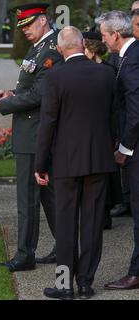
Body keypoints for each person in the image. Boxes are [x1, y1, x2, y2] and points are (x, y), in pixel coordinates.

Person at [35, 26, 117, 300]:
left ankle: (63, 286)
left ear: (59, 49)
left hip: (66, 162)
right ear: (83, 44)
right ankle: (85, 284)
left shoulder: (56, 76)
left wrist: (40, 164)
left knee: (66, 224)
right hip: (99, 160)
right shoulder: (107, 73)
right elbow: (114, 117)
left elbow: (48, 123)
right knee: (93, 224)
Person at [0, 3, 62, 272]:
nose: (25, 31)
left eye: (29, 25)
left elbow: (41, 94)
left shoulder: (52, 48)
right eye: (22, 27)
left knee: (28, 198)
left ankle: (24, 255)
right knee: (47, 197)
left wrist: (4, 105)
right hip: (33, 133)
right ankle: (66, 246)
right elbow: (31, 86)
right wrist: (11, 93)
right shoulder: (40, 47)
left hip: (35, 134)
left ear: (43, 20)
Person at [97, 10, 139, 291]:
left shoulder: (133, 57)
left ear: (115, 34)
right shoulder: (127, 55)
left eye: (103, 35)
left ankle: (136, 272)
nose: (102, 40)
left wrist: (125, 148)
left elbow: (136, 110)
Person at [83, 31, 122, 230]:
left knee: (104, 172)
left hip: (104, 125)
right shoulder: (106, 69)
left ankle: (104, 213)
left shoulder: (107, 70)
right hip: (99, 125)